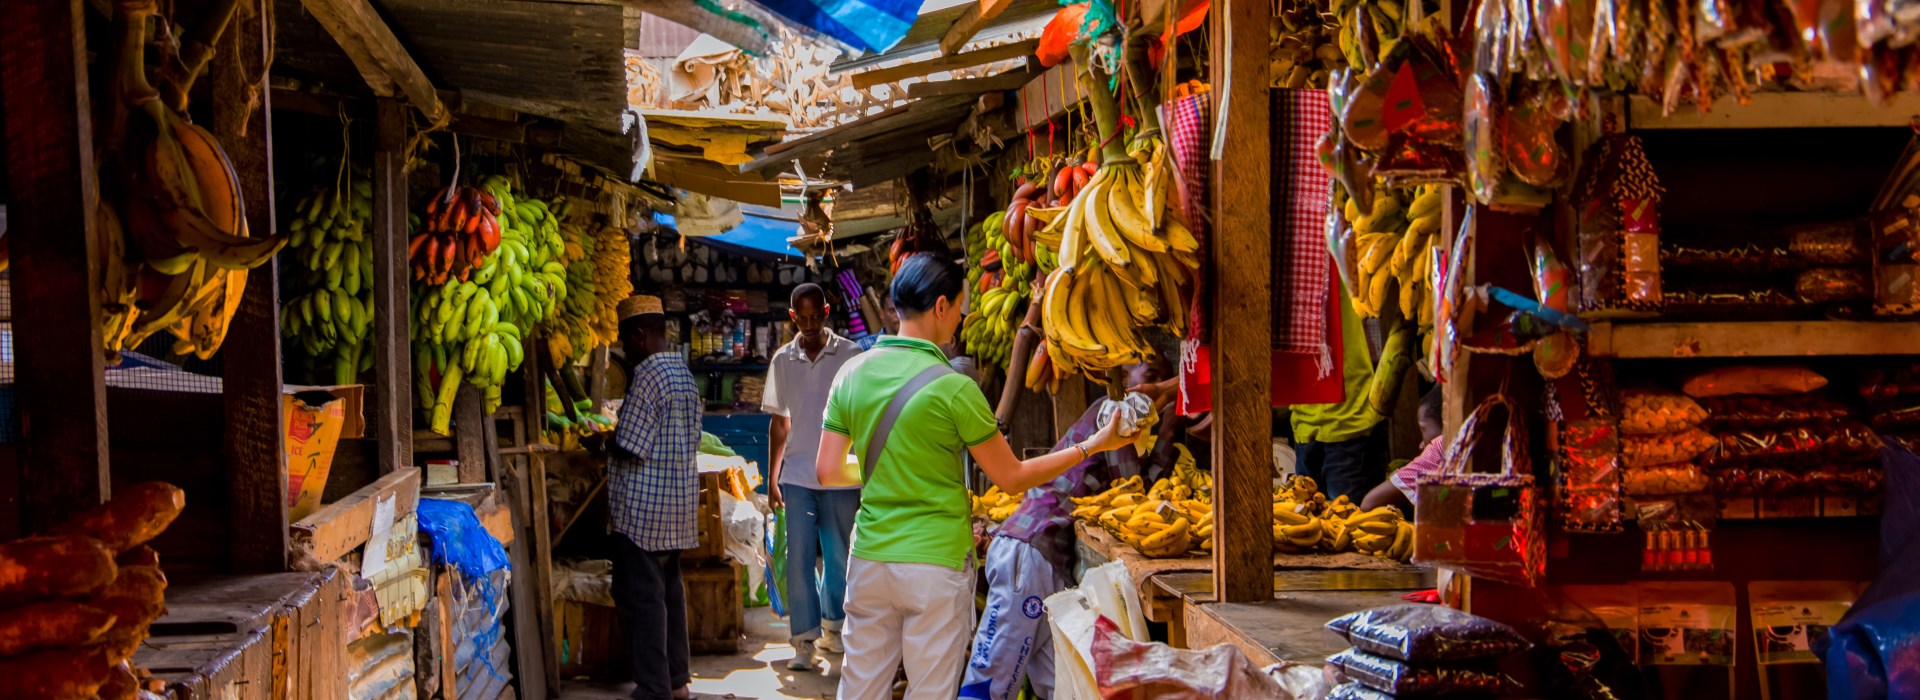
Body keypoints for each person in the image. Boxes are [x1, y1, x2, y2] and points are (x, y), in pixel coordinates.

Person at [814, 256, 1132, 700]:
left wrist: (882, 471)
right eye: (961, 307)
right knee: (929, 690)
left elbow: (828, 471)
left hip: (869, 560)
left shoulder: (850, 374)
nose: (962, 319)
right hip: (935, 565)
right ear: (940, 306)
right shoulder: (953, 387)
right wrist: (1092, 446)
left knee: (861, 688)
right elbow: (1013, 478)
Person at [960, 361, 1168, 700]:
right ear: (1127, 381)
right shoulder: (1115, 415)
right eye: (1152, 375)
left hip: (1043, 556)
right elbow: (1132, 491)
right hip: (1031, 550)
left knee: (1063, 681)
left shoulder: (1120, 421)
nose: (1155, 390)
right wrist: (1169, 433)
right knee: (991, 678)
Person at [762, 283, 863, 671]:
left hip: (841, 476)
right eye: (800, 318)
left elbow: (863, 416)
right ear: (792, 317)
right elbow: (779, 423)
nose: (808, 324)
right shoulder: (782, 361)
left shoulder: (851, 355)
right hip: (799, 476)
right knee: (799, 558)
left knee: (839, 557)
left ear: (826, 310)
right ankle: (803, 640)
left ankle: (833, 626)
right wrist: (773, 479)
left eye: (814, 316)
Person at [607, 295, 702, 700]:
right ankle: (677, 680)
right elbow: (692, 438)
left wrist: (603, 443)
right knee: (670, 595)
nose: (626, 348)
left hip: (643, 514)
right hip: (677, 508)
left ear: (642, 336)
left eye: (627, 339)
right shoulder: (683, 374)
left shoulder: (647, 377)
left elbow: (630, 445)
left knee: (643, 601)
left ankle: (653, 688)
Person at [1290, 282, 1390, 501]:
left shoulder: (1333, 256)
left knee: (1353, 527)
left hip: (1351, 423)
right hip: (1304, 425)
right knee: (1311, 528)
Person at [1362, 386, 1445, 514]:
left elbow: (1369, 504)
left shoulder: (1439, 446)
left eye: (1423, 429)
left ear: (1446, 422)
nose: (1421, 444)